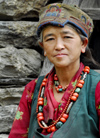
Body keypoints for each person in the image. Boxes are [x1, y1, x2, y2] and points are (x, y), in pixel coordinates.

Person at [9, 3, 100, 138]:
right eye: (50, 39)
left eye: (67, 37)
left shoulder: (97, 87)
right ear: (43, 47)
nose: (58, 46)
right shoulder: (32, 90)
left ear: (83, 44)